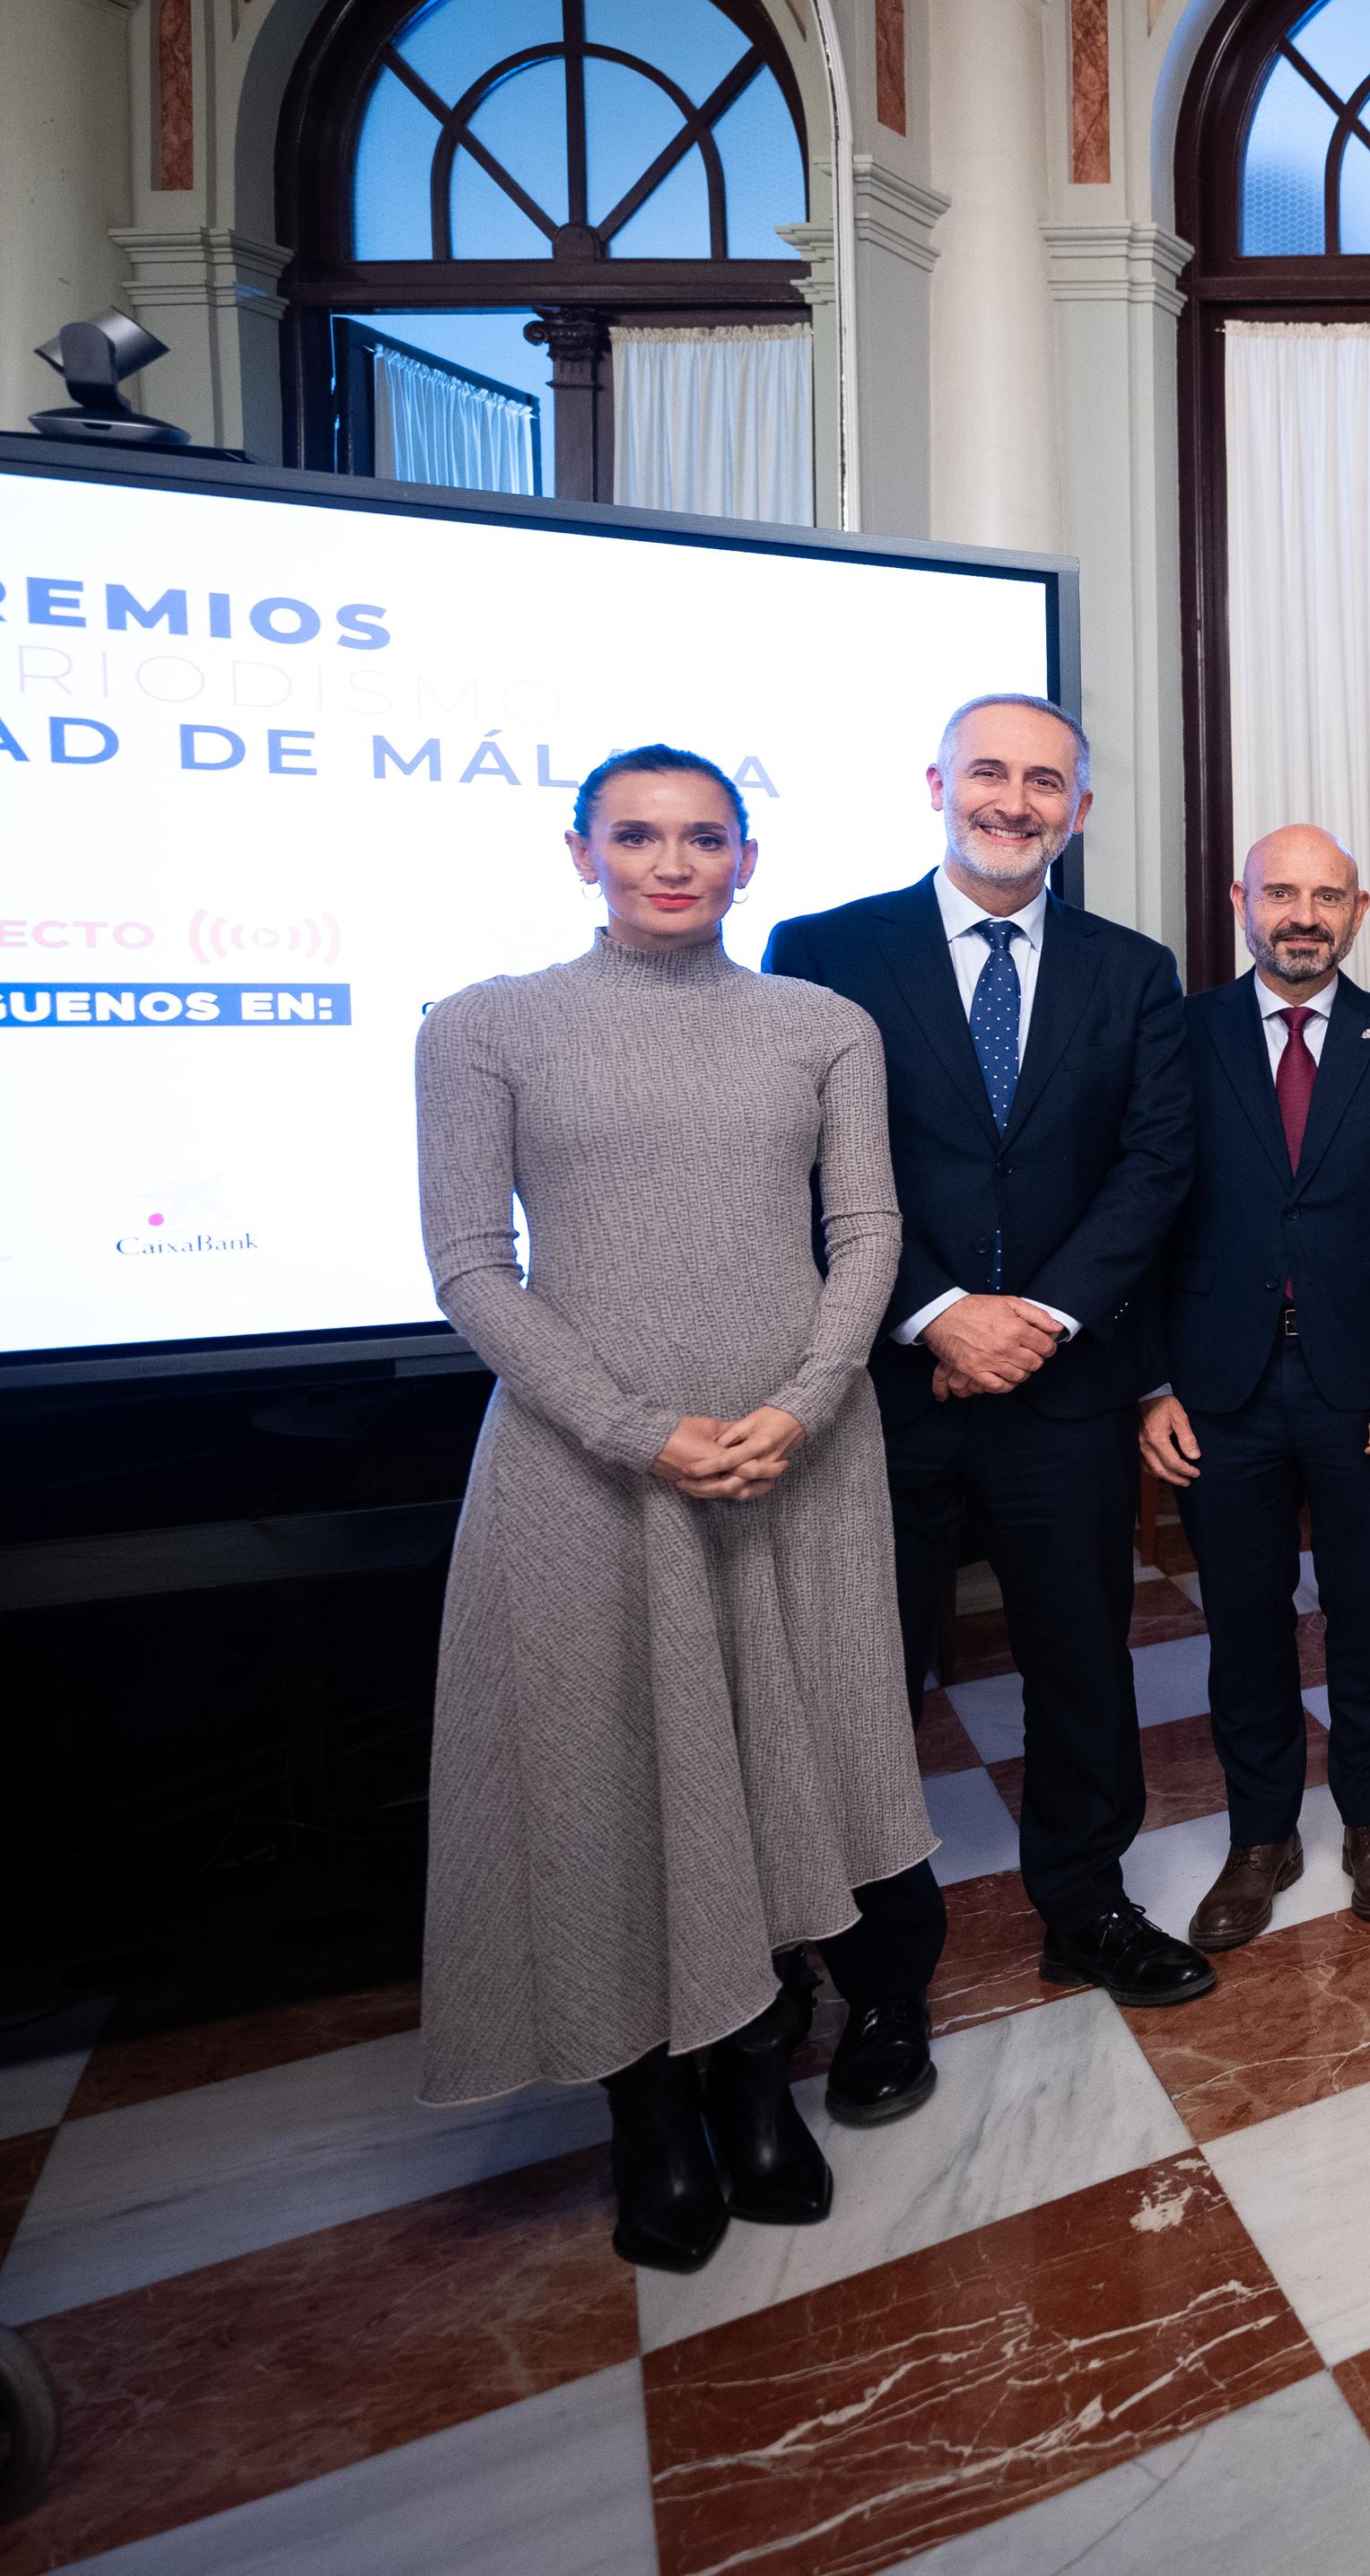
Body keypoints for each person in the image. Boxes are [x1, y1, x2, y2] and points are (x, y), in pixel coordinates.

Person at [416, 746, 929, 2272]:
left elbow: (868, 1226)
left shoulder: (822, 1023)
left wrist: (809, 1396)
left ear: (748, 859)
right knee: (614, 1773)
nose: (671, 861)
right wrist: (639, 1432)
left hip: (798, 1457)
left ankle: (752, 2073)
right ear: (579, 850)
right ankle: (646, 2110)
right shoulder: (485, 1026)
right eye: (636, 835)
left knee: (785, 1758)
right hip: (587, 1471)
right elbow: (466, 1264)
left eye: (704, 836)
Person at [764, 694, 1208, 2058]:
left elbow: (1154, 1169)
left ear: (1081, 808)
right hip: (882, 1393)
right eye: (992, 774)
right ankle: (879, 1972)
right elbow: (800, 1161)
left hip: (1063, 1395)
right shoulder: (825, 951)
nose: (1016, 801)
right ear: (939, 783)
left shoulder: (1132, 972)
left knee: (1082, 1663)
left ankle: (1085, 1904)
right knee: (866, 1682)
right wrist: (941, 1312)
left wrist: (1045, 1319)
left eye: (1048, 781)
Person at [1139, 827, 1370, 1948]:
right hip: (1216, 1388)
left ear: (1357, 907)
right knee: (1242, 1621)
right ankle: (1260, 1834)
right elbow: (1137, 1223)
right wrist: (1150, 1386)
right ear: (1241, 898)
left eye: (1325, 896)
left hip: (1366, 1385)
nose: (1302, 913)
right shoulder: (1178, 1035)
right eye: (1280, 891)